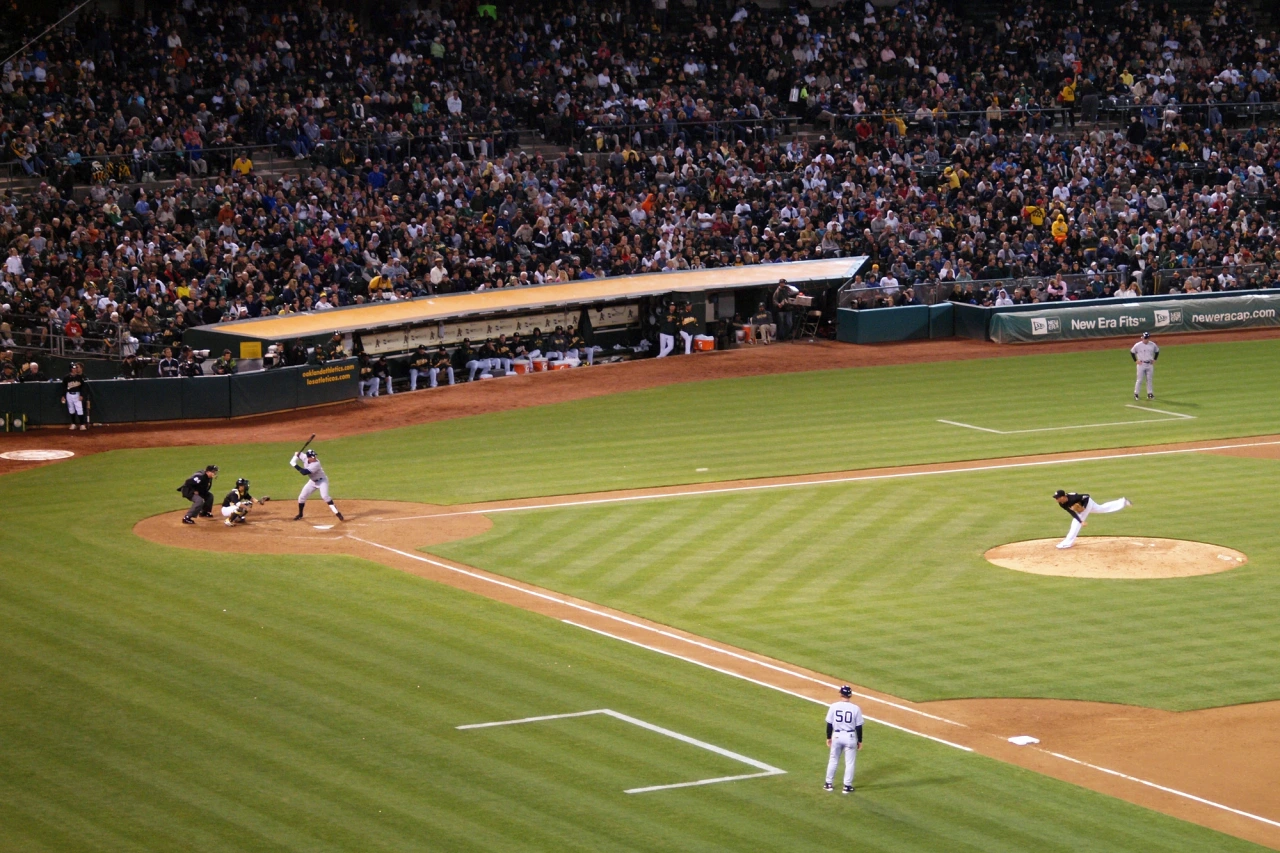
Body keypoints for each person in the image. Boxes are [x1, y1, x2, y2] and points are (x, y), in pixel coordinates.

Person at [1053, 489, 1131, 549]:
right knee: (1101, 508)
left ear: (1063, 497)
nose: (1056, 499)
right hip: (1085, 504)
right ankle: (1123, 501)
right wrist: (1081, 521)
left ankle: (1067, 543)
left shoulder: (1073, 498)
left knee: (1075, 523)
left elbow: (1087, 496)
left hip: (1087, 503)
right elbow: (1072, 512)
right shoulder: (1061, 503)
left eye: (1057, 498)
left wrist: (1083, 507)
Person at [824, 685, 863, 794]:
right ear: (850, 695)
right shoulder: (855, 708)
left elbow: (829, 724)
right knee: (849, 763)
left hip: (836, 735)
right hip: (850, 737)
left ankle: (828, 783)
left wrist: (828, 737)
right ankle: (847, 786)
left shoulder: (834, 706)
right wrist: (859, 740)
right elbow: (859, 727)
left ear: (841, 694)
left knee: (833, 760)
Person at [291, 449, 344, 521]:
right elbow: (297, 453)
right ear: (308, 457)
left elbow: (304, 472)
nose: (314, 458)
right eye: (313, 457)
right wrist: (295, 456)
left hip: (322, 481)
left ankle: (337, 513)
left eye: (314, 456)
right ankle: (300, 514)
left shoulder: (316, 464)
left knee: (325, 496)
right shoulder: (305, 457)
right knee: (301, 497)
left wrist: (294, 464)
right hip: (312, 482)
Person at [60, 362, 90, 430]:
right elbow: (64, 387)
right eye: (74, 368)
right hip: (69, 394)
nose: (75, 369)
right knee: (71, 409)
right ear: (71, 369)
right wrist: (63, 396)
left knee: (79, 409)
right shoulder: (66, 377)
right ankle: (73, 423)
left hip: (77, 394)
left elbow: (83, 387)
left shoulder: (80, 377)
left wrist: (82, 395)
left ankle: (82, 424)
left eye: (76, 368)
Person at [1130, 332, 1159, 400]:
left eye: (1147, 338)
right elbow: (1132, 352)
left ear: (1149, 338)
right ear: (1142, 338)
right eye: (1145, 338)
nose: (1146, 340)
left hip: (1149, 364)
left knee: (1149, 380)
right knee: (1139, 380)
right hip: (1141, 364)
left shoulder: (1152, 344)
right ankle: (1136, 394)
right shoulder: (1138, 345)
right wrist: (1135, 360)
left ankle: (1150, 394)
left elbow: (1157, 351)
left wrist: (1155, 359)